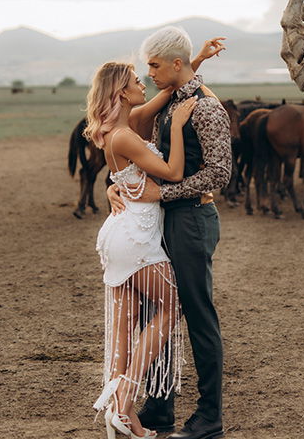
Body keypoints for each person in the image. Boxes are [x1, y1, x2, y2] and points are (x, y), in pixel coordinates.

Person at [108, 26, 232, 439]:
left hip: (194, 220)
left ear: (174, 64)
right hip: (167, 219)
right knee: (157, 312)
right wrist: (121, 186)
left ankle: (209, 418)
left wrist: (162, 194)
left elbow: (220, 172)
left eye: (155, 65)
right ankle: (160, 408)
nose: (150, 73)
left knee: (198, 315)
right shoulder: (172, 102)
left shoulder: (207, 107)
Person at [85, 62, 197, 439]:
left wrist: (192, 62)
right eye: (136, 82)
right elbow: (174, 173)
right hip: (136, 238)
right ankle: (125, 392)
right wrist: (178, 127)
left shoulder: (113, 129)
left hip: (120, 234)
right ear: (121, 93)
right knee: (171, 306)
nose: (144, 85)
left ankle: (124, 418)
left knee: (123, 330)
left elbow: (165, 92)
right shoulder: (124, 135)